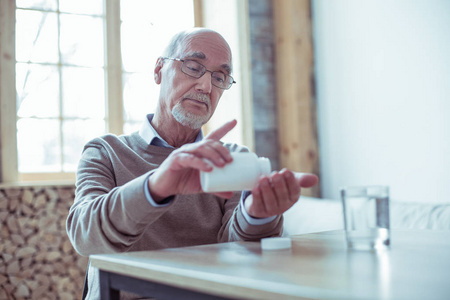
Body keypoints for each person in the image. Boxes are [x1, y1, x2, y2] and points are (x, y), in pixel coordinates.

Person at [66, 27, 318, 299]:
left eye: (219, 77)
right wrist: (156, 186)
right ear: (159, 71)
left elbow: (241, 258)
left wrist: (257, 215)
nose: (206, 86)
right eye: (194, 67)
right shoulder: (106, 151)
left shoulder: (231, 158)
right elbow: (85, 236)